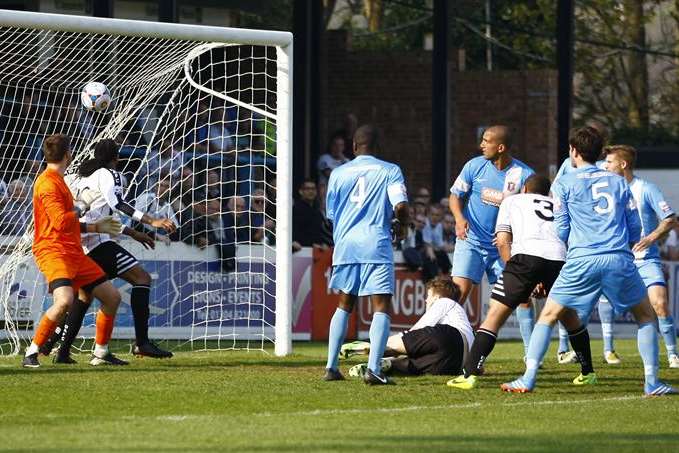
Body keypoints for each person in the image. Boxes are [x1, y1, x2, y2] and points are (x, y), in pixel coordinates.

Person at [501, 127, 676, 396]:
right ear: (597, 154)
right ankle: (652, 382)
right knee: (645, 316)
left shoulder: (563, 184)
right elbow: (633, 226)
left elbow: (561, 228)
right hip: (618, 259)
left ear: (573, 151)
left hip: (582, 259)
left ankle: (528, 378)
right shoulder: (619, 182)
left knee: (547, 316)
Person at [43, 139, 177, 362]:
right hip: (96, 243)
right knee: (141, 278)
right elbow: (117, 204)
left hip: (75, 244)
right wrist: (151, 221)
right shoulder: (109, 175)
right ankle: (141, 343)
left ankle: (62, 349)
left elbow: (98, 216)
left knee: (84, 297)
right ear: (116, 159)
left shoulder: (74, 177)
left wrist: (134, 233)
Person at [448, 175, 580, 390]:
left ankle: (469, 374)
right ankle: (587, 371)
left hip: (526, 258)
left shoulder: (513, 200)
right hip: (558, 257)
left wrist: (517, 270)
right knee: (568, 316)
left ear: (525, 188)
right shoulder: (556, 203)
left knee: (494, 316)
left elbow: (502, 240)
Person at [22, 134, 126, 368]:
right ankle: (32, 352)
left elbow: (67, 222)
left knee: (112, 297)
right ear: (68, 155)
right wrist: (82, 206)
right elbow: (60, 222)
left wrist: (95, 226)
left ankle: (100, 352)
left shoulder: (58, 180)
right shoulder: (47, 184)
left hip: (73, 251)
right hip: (53, 250)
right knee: (64, 301)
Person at [323, 124, 410, 385]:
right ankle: (374, 370)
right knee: (381, 306)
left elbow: (330, 214)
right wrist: (402, 224)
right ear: (378, 147)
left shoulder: (338, 173)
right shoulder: (389, 170)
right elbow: (402, 206)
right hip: (375, 243)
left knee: (344, 303)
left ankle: (330, 366)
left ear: (353, 147)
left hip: (346, 244)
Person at [603, 144, 679, 368]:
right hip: (617, 258)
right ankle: (608, 349)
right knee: (598, 302)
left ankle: (673, 354)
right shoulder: (606, 189)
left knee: (660, 304)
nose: (605, 166)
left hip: (646, 260)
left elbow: (669, 219)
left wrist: (650, 238)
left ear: (623, 164)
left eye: (609, 162)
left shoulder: (646, 188)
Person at [449, 125, 534, 305]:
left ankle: (531, 335)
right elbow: (455, 196)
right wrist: (459, 218)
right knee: (458, 294)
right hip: (471, 240)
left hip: (503, 246)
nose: (481, 145)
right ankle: (449, 332)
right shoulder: (474, 165)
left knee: (522, 298)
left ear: (501, 148)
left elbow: (530, 213)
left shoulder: (525, 175)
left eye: (486, 141)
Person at [553, 119, 613, 364]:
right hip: (587, 242)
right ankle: (563, 348)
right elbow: (555, 194)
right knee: (571, 298)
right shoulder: (569, 165)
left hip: (591, 243)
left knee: (581, 299)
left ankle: (604, 349)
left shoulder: (607, 166)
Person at [342, 276, 473, 377]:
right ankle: (389, 364)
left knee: (403, 342)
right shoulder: (463, 318)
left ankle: (367, 346)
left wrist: (396, 344)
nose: (426, 300)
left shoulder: (444, 302)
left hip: (450, 337)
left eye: (428, 296)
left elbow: (415, 332)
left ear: (437, 296)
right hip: (455, 365)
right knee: (415, 365)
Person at [292, 179, 333, 249]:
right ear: (301, 191)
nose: (311, 191)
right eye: (307, 189)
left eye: (313, 189)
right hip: (300, 250)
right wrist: (311, 244)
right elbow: (297, 232)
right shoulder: (296, 209)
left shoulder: (317, 211)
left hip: (317, 251)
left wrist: (322, 244)